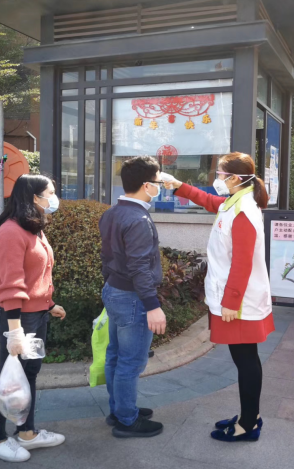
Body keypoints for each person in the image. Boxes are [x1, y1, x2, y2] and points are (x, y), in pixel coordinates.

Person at [165, 152, 274, 443]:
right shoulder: (234, 201)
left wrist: (230, 303)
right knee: (246, 358)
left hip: (240, 302)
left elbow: (242, 262)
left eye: (221, 174)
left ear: (235, 178)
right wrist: (179, 186)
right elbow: (211, 202)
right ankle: (250, 416)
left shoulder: (244, 210)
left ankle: (248, 424)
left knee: (246, 360)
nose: (217, 179)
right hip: (237, 297)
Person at [0, 174, 67, 463]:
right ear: (34, 197)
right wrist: (15, 331)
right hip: (19, 320)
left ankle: (27, 433)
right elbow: (10, 285)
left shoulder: (32, 228)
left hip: (36, 315)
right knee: (8, 379)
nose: (54, 198)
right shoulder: (11, 232)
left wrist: (49, 303)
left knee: (28, 374)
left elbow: (35, 275)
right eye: (51, 193)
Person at [99, 156, 167, 439]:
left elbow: (107, 257)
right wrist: (153, 306)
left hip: (115, 291)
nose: (160, 186)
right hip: (132, 297)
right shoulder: (138, 219)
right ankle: (127, 420)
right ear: (146, 185)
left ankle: (119, 410)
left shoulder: (112, 213)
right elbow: (139, 266)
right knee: (131, 362)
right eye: (159, 181)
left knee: (115, 356)